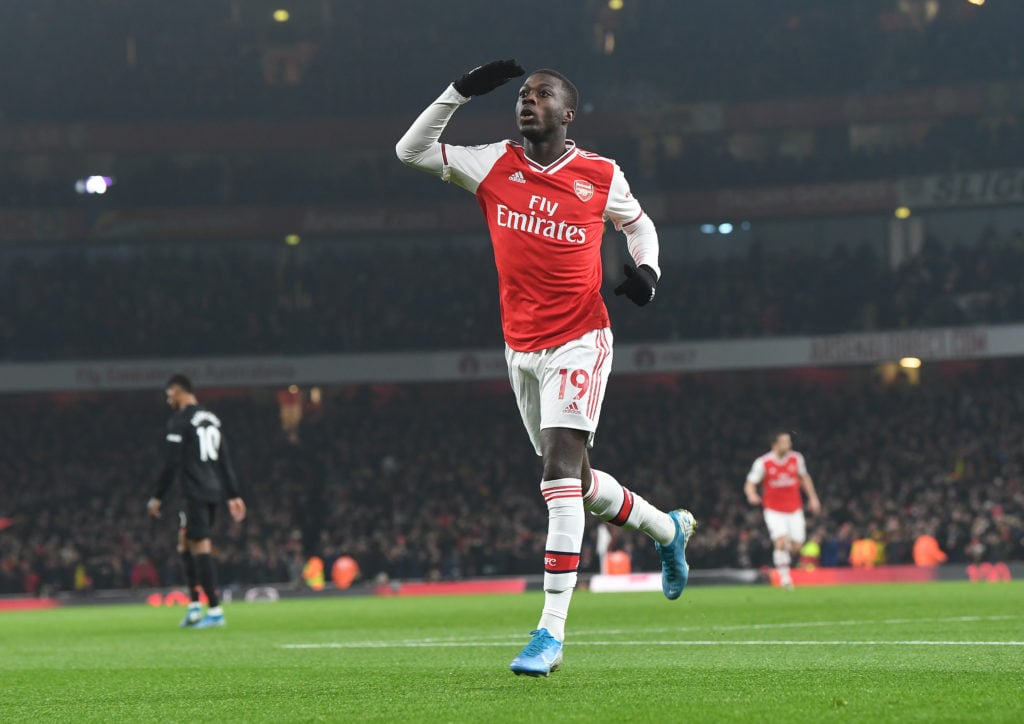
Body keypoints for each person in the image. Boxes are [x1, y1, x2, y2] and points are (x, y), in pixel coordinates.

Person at [396, 59, 695, 677]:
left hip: (580, 338)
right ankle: (666, 530)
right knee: (578, 486)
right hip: (520, 347)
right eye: (523, 94)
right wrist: (460, 90)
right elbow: (411, 150)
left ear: (568, 113)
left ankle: (549, 633)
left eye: (543, 94)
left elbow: (640, 227)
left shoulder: (600, 174)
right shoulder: (492, 164)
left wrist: (647, 274)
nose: (527, 101)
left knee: (557, 480)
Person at [147, 374, 246, 628]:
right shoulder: (212, 418)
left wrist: (158, 496)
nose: (168, 400)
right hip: (211, 490)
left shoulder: (181, 420)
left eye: (170, 395)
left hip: (194, 491)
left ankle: (214, 611)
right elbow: (224, 459)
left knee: (199, 545)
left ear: (180, 392)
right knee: (185, 544)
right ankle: (194, 606)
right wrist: (233, 494)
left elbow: (172, 462)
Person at [744, 431, 820, 589]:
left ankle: (784, 564)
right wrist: (751, 494)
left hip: (794, 509)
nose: (789, 445)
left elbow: (804, 478)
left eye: (789, 441)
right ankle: (785, 578)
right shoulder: (763, 462)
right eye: (785, 442)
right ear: (775, 444)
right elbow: (750, 483)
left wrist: (813, 497)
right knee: (781, 540)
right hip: (774, 510)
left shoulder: (796, 459)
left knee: (796, 546)